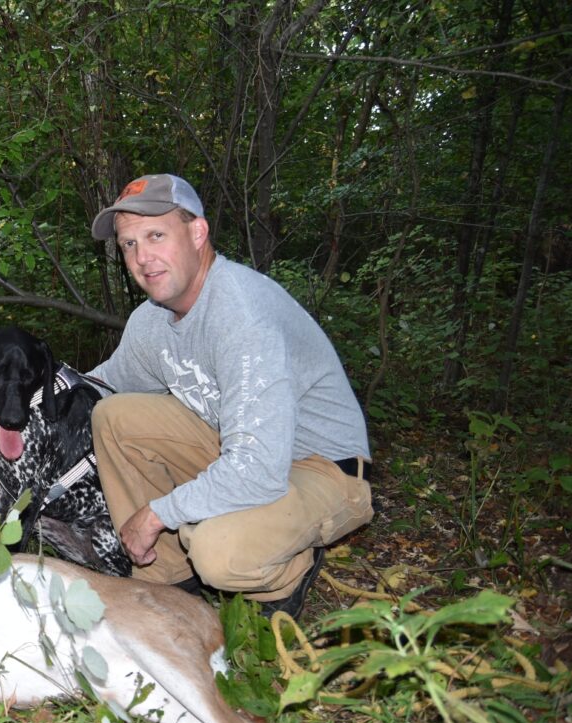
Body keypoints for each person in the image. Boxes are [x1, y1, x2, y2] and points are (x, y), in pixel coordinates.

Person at [87, 174, 374, 618]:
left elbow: (258, 469)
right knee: (113, 415)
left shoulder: (242, 313)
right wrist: (36, 394)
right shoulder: (151, 321)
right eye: (129, 244)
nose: (142, 258)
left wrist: (158, 514)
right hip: (239, 450)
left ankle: (287, 572)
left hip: (322, 469)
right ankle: (167, 578)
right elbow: (104, 383)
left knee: (216, 549)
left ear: (197, 233)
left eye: (156, 236)